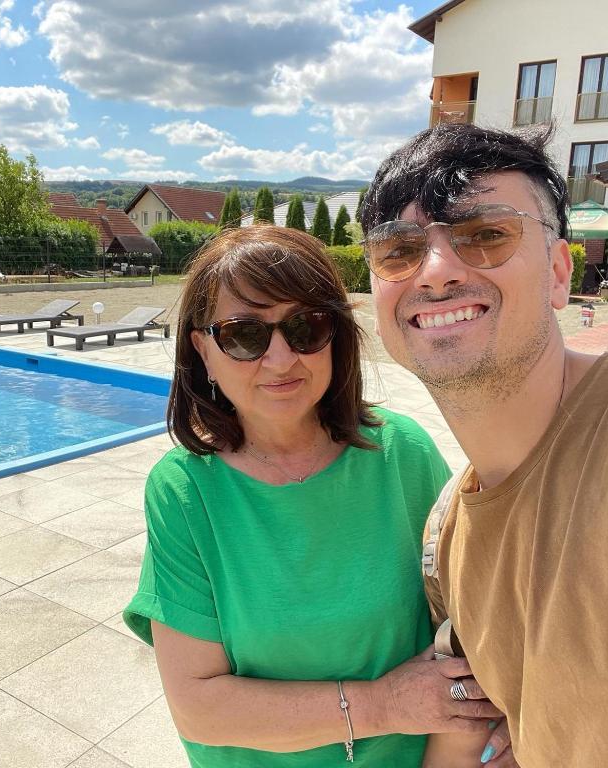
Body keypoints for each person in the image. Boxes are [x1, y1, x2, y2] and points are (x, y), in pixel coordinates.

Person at [124, 225, 504, 767]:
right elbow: (201, 707)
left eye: (306, 326)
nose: (281, 359)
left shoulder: (403, 454)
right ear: (202, 351)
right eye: (244, 335)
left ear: (337, 334)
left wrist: (508, 716)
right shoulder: (184, 491)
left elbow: (479, 620)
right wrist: (386, 704)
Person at [359, 123, 608, 767]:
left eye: (487, 235)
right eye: (398, 251)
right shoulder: (449, 535)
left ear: (558, 274)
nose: (437, 271)